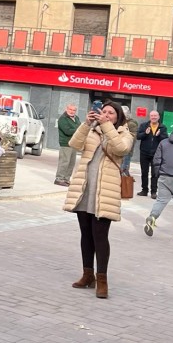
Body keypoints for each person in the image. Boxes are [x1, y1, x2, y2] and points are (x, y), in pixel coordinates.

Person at [63, 101, 133, 299]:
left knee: (100, 236)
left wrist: (106, 126)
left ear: (118, 117)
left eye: (111, 113)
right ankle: (87, 275)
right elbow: (74, 145)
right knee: (86, 234)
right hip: (85, 188)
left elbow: (120, 150)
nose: (106, 115)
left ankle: (102, 279)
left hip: (105, 192)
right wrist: (86, 124)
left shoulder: (124, 134)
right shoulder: (92, 130)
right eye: (104, 112)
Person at [137, 110, 169, 197]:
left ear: (158, 117)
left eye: (155, 116)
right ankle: (144, 190)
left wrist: (159, 135)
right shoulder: (144, 125)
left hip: (156, 153)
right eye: (152, 116)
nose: (153, 117)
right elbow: (138, 136)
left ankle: (153, 192)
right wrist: (145, 133)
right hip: (144, 152)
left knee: (155, 173)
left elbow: (166, 139)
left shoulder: (162, 127)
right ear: (149, 117)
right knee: (144, 172)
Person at [54, 104, 82, 187]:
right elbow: (68, 131)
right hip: (65, 143)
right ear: (66, 109)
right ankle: (59, 179)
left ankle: (66, 179)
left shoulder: (76, 118)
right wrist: (78, 128)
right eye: (70, 109)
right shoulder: (62, 119)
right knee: (64, 162)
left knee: (71, 163)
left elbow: (80, 128)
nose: (72, 111)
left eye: (74, 110)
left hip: (74, 144)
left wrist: (77, 128)